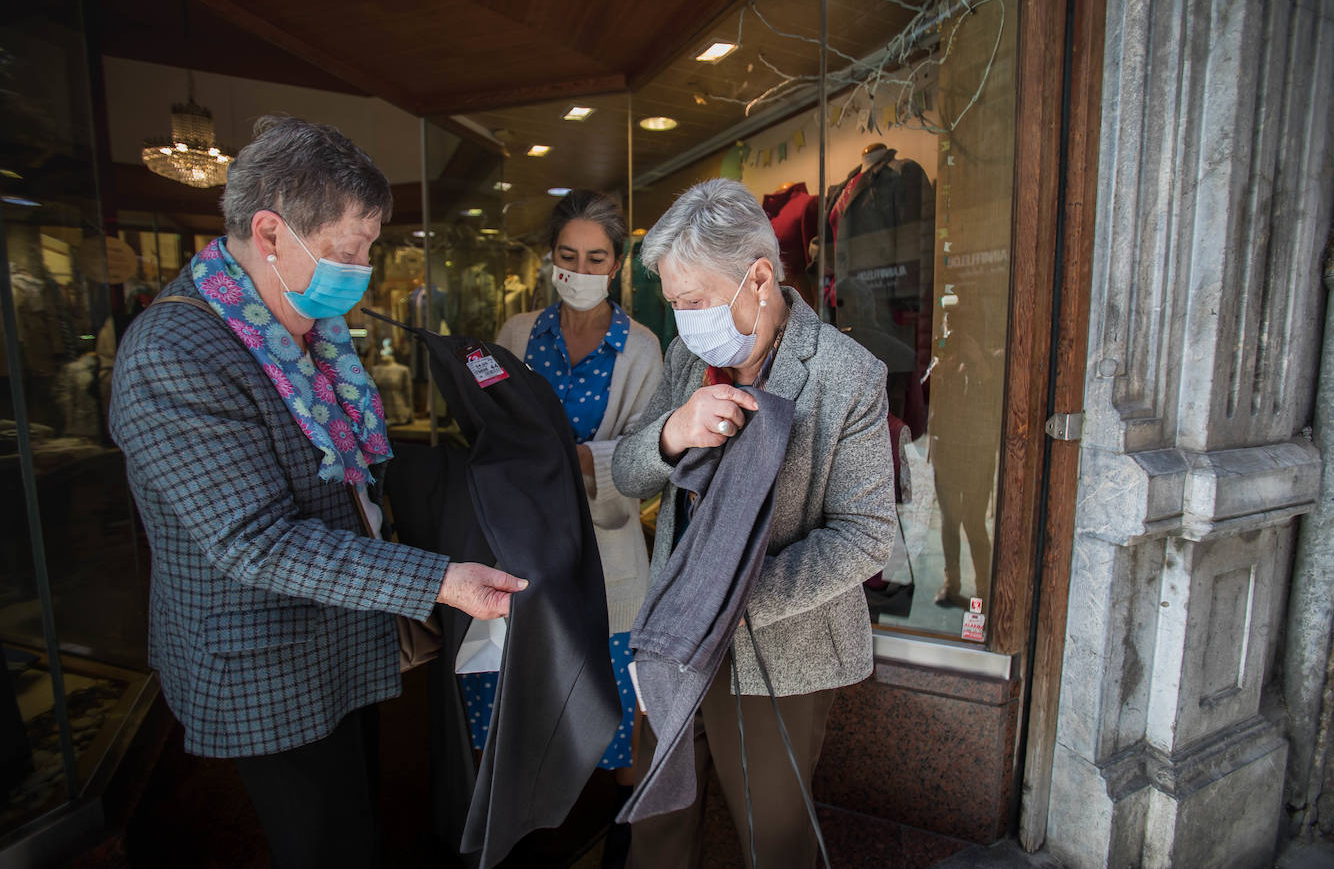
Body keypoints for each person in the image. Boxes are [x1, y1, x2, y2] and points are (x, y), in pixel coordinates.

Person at [107, 116, 526, 869]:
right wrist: (439, 578)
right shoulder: (173, 357)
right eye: (347, 250)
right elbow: (254, 540)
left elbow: (355, 470)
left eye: (368, 247)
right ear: (270, 234)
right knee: (325, 843)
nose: (363, 267)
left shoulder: (305, 327)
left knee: (358, 821)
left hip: (338, 634)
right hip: (266, 660)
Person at [612, 178, 896, 869]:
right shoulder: (688, 360)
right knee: (658, 827)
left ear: (759, 277)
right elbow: (626, 472)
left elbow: (866, 533)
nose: (684, 321)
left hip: (784, 653)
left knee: (774, 842)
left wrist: (730, 601)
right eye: (674, 304)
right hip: (679, 643)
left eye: (694, 301)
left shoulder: (846, 374)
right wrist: (674, 432)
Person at [460, 190, 663, 814]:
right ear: (551, 259)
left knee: (615, 715)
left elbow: (645, 465)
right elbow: (490, 432)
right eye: (568, 255)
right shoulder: (518, 334)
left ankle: (621, 838)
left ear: (617, 264)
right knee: (514, 703)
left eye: (597, 257)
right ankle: (522, 828)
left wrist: (576, 460)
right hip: (523, 553)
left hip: (609, 561)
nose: (581, 270)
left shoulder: (643, 348)